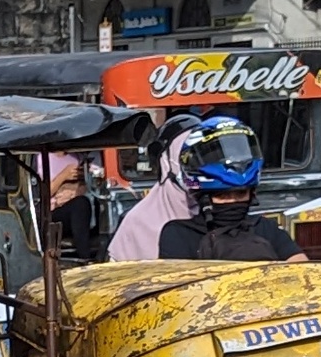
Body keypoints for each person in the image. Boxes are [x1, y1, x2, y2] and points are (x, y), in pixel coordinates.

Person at [154, 118, 297, 262]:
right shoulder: (180, 234)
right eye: (222, 195)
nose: (233, 201)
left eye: (241, 194)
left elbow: (302, 268)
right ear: (203, 197)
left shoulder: (266, 228)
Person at [108, 112, 206, 260]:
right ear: (166, 163)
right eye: (185, 157)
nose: (194, 166)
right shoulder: (137, 222)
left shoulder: (221, 210)